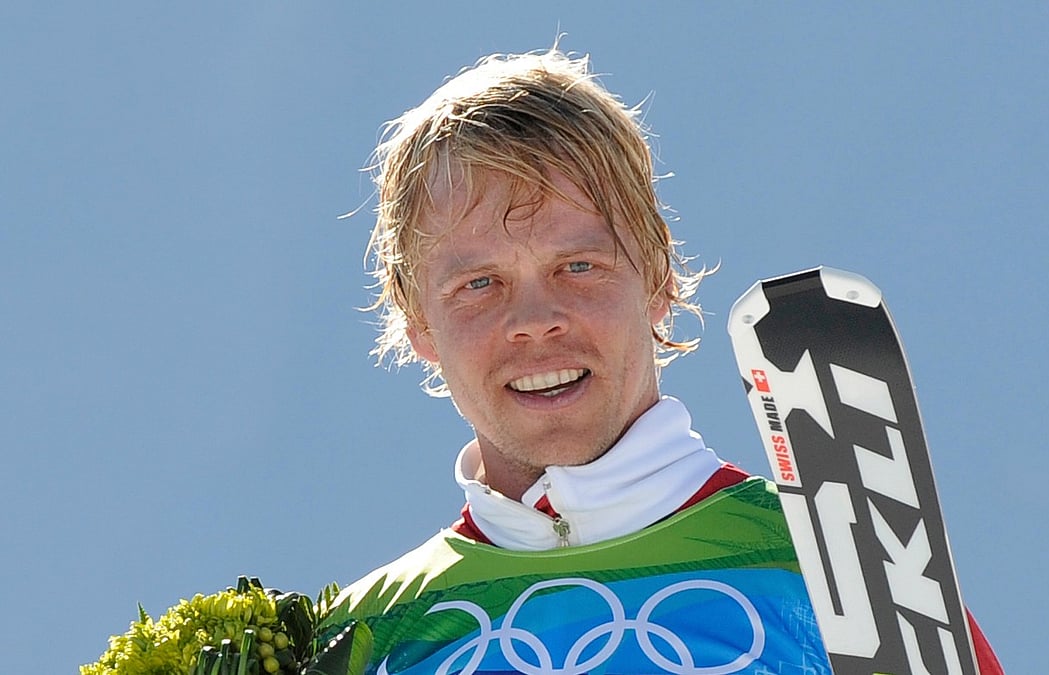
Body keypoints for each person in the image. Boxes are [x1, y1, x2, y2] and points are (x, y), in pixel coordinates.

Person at [319, 48, 1003, 675]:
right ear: (418, 322)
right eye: (479, 283)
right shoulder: (358, 639)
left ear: (658, 278)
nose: (534, 319)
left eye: (577, 266)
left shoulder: (835, 572)